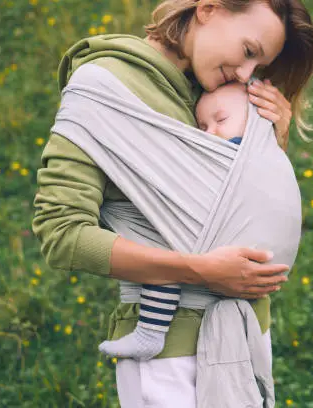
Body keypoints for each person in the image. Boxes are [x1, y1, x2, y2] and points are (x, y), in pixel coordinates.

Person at [31, 0, 313, 406]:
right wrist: (199, 271)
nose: (246, 73)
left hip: (249, 333)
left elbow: (237, 206)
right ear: (209, 10)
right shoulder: (106, 88)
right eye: (249, 51)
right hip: (168, 353)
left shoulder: (222, 95)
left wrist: (270, 142)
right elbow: (61, 234)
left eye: (259, 67)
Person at [97, 82, 264, 360]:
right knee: (164, 257)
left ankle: (150, 333)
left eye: (221, 120)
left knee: (161, 259)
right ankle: (150, 334)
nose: (211, 132)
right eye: (202, 127)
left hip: (220, 235)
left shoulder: (240, 151)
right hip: (223, 243)